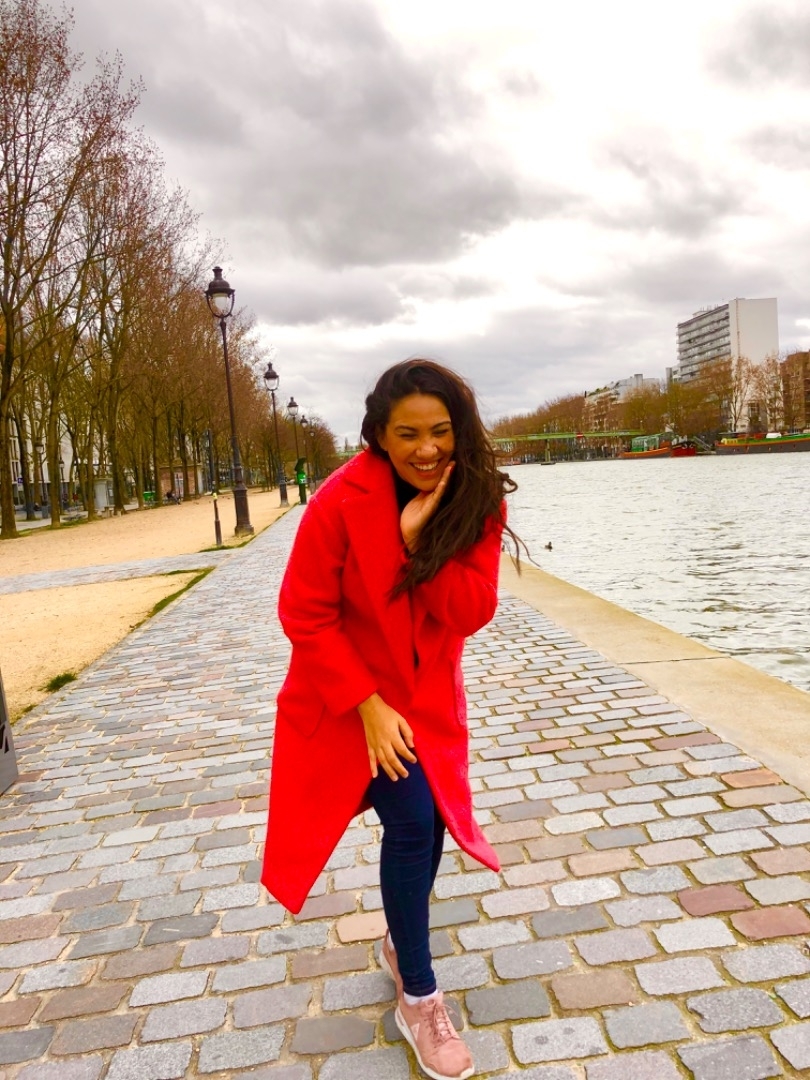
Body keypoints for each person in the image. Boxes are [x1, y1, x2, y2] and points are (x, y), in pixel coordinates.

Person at [262, 358, 520, 1080]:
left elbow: (471, 611)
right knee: (412, 822)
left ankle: (399, 946)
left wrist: (416, 546)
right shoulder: (339, 500)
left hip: (424, 702)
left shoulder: (474, 499)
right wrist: (370, 707)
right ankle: (419, 996)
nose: (427, 448)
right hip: (346, 700)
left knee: (428, 824)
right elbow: (304, 613)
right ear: (378, 434)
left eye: (441, 431)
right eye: (408, 434)